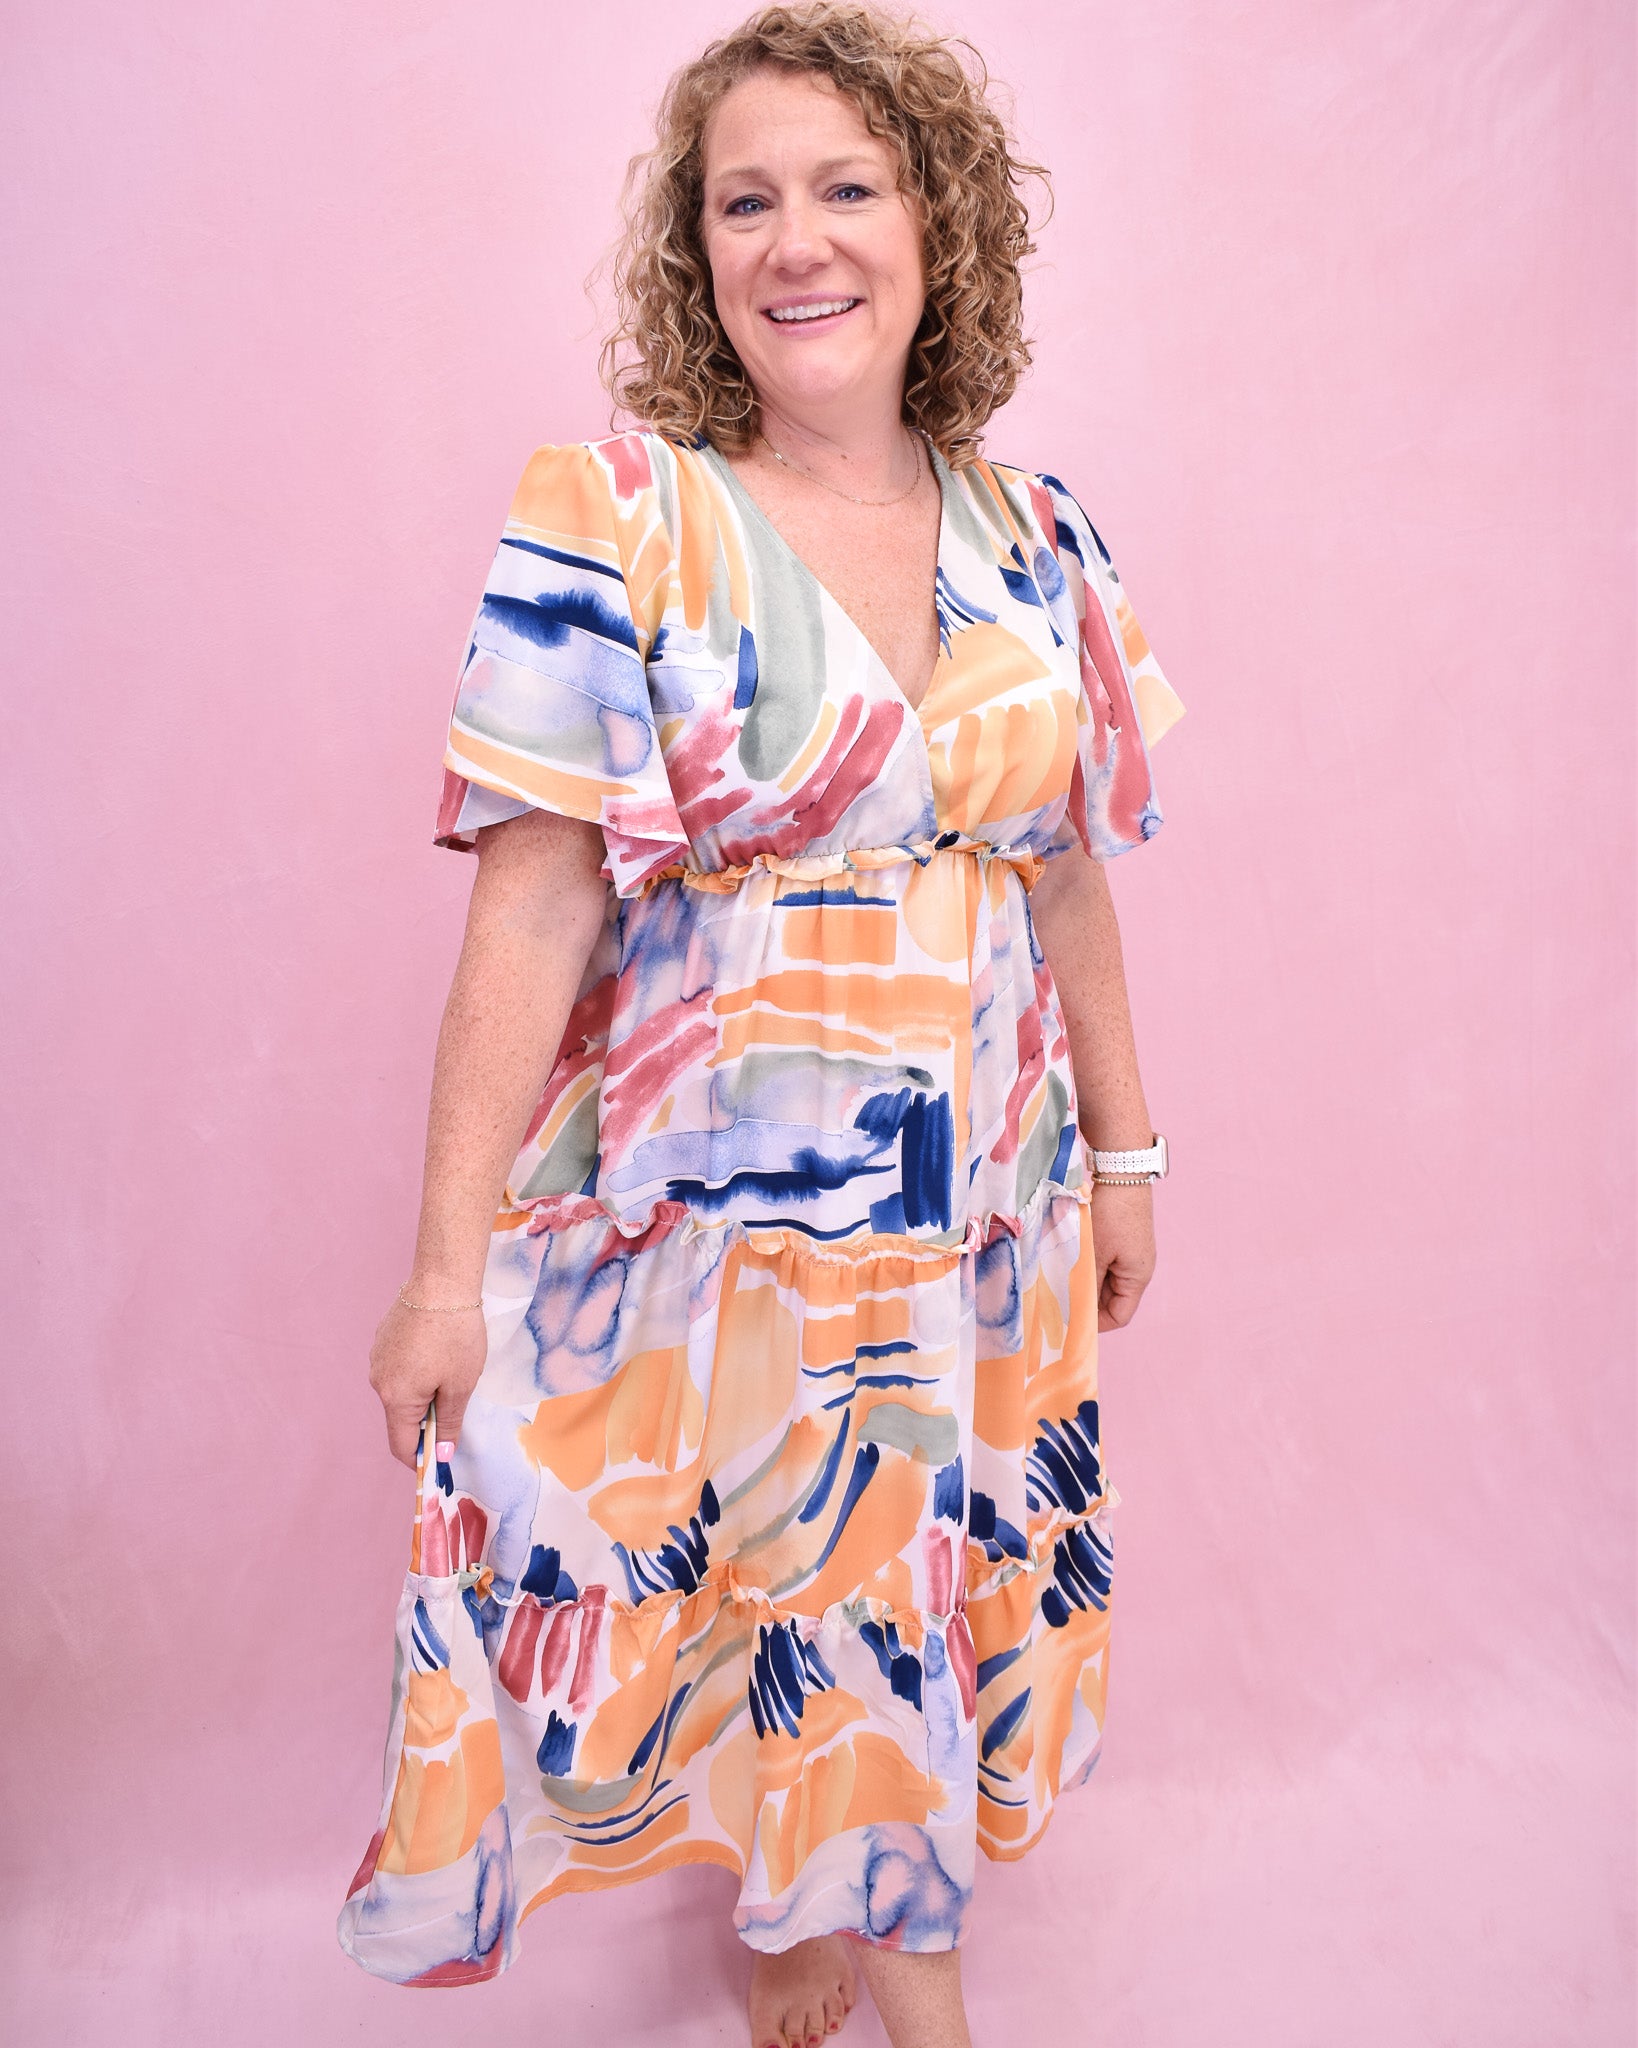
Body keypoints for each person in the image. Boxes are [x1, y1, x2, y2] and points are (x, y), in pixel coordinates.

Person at [335, 6, 1185, 2045]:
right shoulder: (618, 515)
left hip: (979, 1206)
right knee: (772, 1574)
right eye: (744, 200)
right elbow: (532, 903)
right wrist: (442, 1272)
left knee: (893, 1577)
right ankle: (917, 1986)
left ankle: (819, 1918)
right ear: (699, 258)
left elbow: (1065, 867)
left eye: (846, 186)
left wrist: (1133, 1159)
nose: (795, 239)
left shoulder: (1042, 536)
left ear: (934, 231)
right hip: (714, 1226)